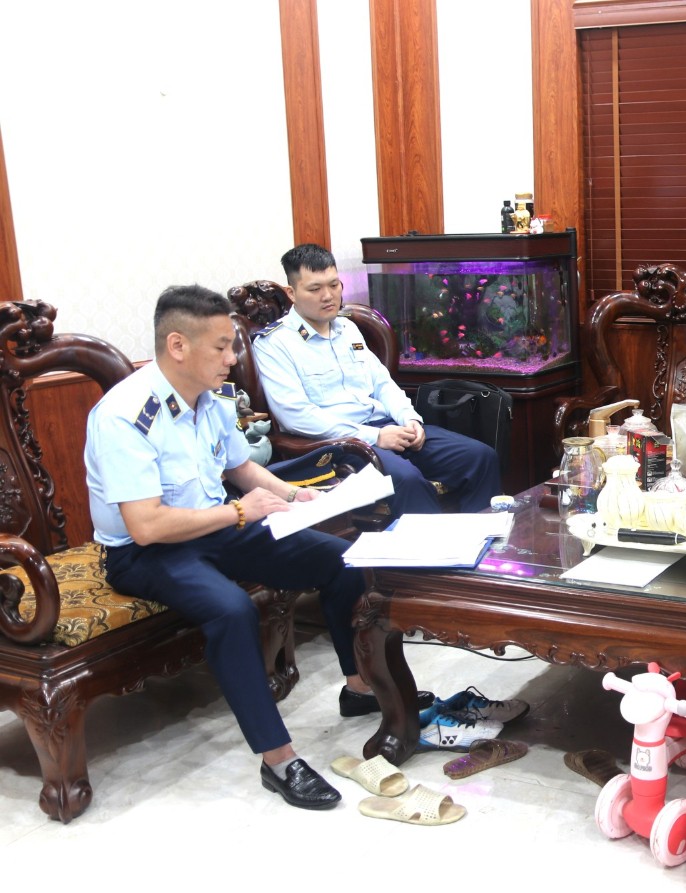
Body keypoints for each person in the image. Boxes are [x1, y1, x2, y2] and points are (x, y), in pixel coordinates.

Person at [85, 285, 446, 810]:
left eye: (232, 347)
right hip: (146, 553)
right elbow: (145, 526)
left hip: (215, 527)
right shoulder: (124, 414)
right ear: (178, 345)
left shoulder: (209, 399)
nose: (233, 359)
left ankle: (360, 686)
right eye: (221, 347)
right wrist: (239, 512)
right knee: (232, 610)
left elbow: (240, 469)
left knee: (344, 561)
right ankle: (278, 759)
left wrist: (296, 496)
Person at [251, 244, 502, 516]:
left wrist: (410, 419)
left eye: (334, 285)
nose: (328, 296)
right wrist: (375, 436)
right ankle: (435, 545)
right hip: (340, 443)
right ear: (292, 293)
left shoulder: (347, 328)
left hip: (389, 427)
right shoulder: (274, 343)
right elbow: (295, 416)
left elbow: (383, 384)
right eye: (315, 289)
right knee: (405, 480)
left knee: (480, 457)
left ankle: (481, 539)